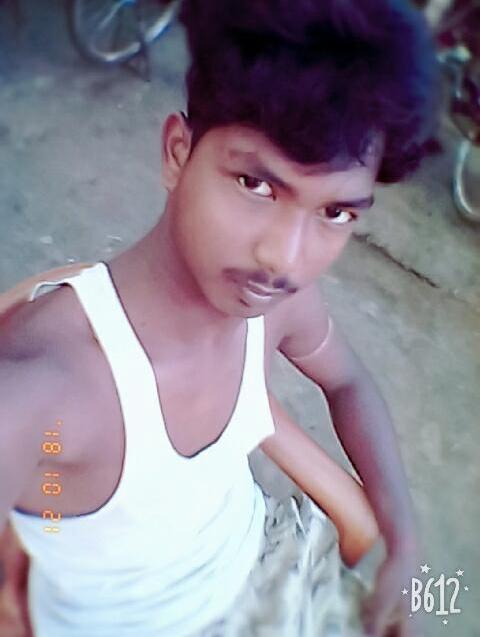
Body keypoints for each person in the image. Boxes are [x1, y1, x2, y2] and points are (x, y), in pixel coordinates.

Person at [0, 0, 439, 635]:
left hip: (266, 566)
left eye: (335, 213)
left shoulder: (280, 306)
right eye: (256, 185)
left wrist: (404, 541)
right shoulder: (43, 391)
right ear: (177, 152)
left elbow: (346, 380)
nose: (284, 258)